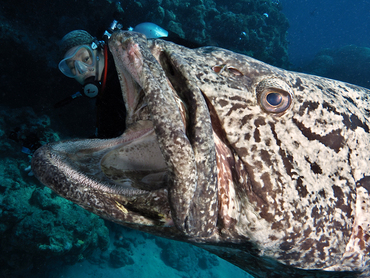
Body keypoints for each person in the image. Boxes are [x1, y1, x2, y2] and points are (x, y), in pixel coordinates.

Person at [58, 29, 126, 139]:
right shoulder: (105, 94)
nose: (82, 69)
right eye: (72, 67)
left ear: (98, 51)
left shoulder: (126, 67)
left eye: (86, 58)